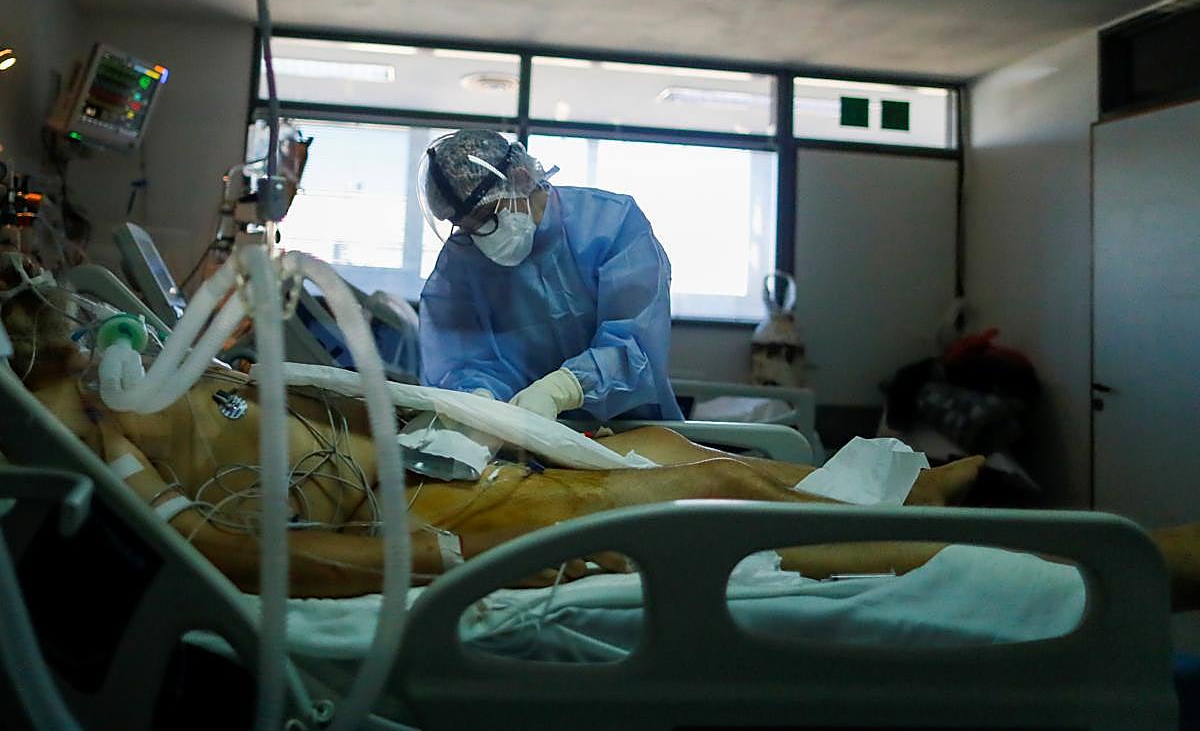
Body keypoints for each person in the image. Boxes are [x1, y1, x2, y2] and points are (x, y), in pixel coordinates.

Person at [2, 255, 1200, 613]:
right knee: (704, 510)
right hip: (440, 512)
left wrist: (550, 400)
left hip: (479, 449)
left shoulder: (102, 378)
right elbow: (257, 560)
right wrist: (444, 555)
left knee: (697, 461)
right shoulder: (99, 452)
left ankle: (935, 514)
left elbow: (610, 342)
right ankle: (1077, 561)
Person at [417, 129, 684, 423]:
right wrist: (479, 395)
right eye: (466, 227)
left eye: (486, 218)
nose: (480, 237)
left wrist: (562, 389)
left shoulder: (611, 224)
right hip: (520, 435)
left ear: (520, 179)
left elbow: (637, 344)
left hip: (629, 426)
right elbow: (461, 357)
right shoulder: (463, 259)